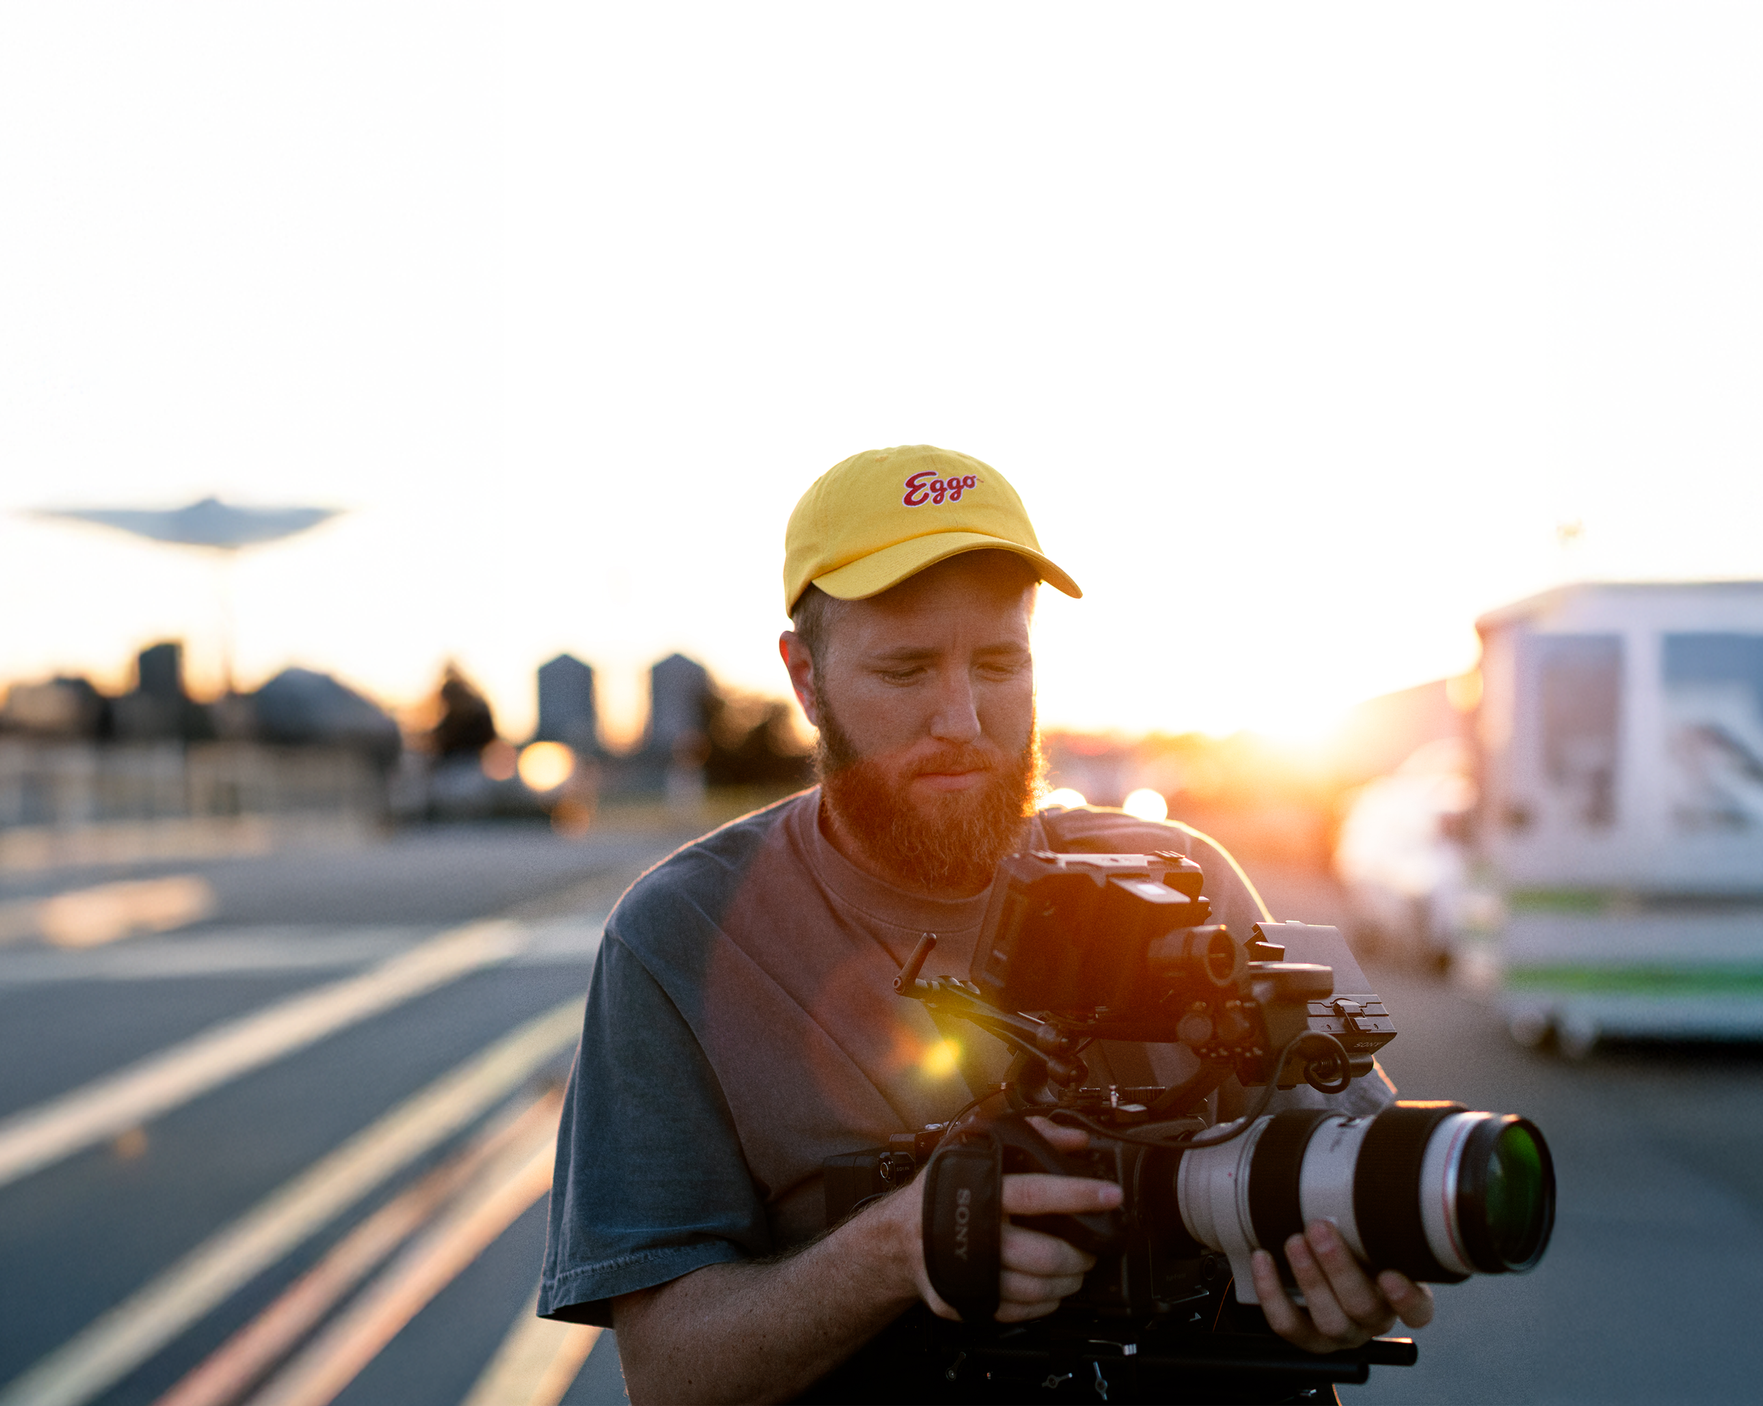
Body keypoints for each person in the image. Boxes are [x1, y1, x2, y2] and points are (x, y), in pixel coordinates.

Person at [538, 446, 1433, 1402]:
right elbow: (672, 1374)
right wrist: (896, 1248)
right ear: (806, 678)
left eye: (999, 662)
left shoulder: (1185, 881)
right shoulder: (685, 936)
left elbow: (1371, 1185)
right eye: (906, 668)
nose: (961, 717)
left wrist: (1346, 1277)